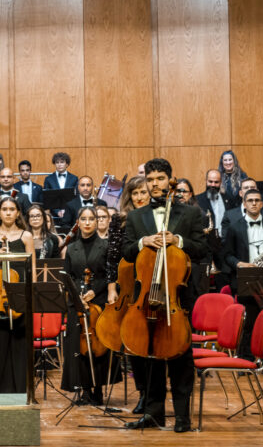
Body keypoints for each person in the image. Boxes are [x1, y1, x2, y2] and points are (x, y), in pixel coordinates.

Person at [122, 158, 208, 433]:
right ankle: (153, 413)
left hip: (178, 298)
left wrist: (178, 241)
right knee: (149, 358)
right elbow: (125, 252)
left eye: (160, 178)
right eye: (151, 179)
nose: (155, 183)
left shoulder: (191, 214)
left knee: (180, 359)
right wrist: (142, 242)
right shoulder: (136, 216)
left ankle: (183, 416)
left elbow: (202, 249)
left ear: (169, 179)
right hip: (147, 298)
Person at [61, 206, 116, 405]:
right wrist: (78, 294)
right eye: (83, 219)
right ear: (78, 222)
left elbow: (108, 275)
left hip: (99, 301)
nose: (87, 222)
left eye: (91, 219)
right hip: (77, 302)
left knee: (98, 346)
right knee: (79, 346)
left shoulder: (106, 246)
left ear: (97, 221)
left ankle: (98, 389)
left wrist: (95, 290)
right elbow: (68, 276)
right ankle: (84, 390)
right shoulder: (71, 248)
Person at [0, 197, 35, 393]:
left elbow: (32, 270)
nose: (9, 213)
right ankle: (0, 391)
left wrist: (31, 295)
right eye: (5, 209)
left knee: (21, 346)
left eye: (12, 209)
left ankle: (21, 389)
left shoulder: (26, 236)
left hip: (20, 297)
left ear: (18, 212)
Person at [104, 175, 148, 413]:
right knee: (133, 344)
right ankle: (142, 393)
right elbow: (112, 258)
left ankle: (154, 394)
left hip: (156, 287)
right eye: (135, 193)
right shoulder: (119, 220)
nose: (139, 198)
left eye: (143, 192)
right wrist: (112, 289)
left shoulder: (155, 217)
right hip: (129, 290)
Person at [223, 189, 263, 360]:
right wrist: (240, 264)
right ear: (244, 204)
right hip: (246, 278)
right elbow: (227, 255)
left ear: (262, 204)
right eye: (250, 200)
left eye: (257, 200)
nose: (254, 203)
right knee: (248, 321)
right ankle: (245, 360)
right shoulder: (234, 227)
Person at [195, 169, 232, 237]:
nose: (213, 185)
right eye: (210, 181)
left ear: (220, 182)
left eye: (216, 182)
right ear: (206, 181)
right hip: (206, 241)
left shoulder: (229, 199)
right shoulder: (197, 200)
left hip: (225, 240)